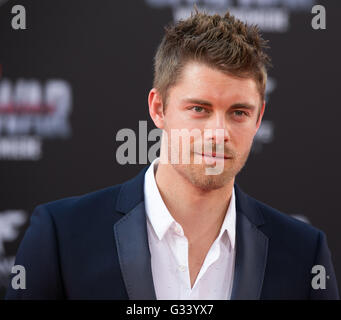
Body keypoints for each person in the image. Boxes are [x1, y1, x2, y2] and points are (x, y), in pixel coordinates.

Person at [6, 8, 339, 300]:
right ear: (158, 108)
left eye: (238, 112)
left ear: (258, 118)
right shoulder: (61, 237)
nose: (218, 133)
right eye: (199, 108)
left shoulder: (303, 254)